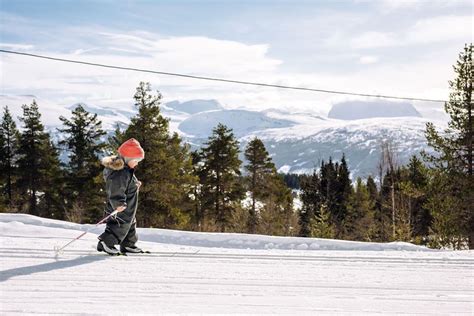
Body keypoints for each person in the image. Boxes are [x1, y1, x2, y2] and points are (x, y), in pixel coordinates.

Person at [97, 138, 145, 255]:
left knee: (130, 223)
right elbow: (116, 188)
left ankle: (128, 244)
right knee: (120, 224)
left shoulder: (127, 169)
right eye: (136, 160)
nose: (137, 162)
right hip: (121, 206)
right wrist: (118, 203)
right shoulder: (120, 172)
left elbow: (127, 183)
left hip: (129, 205)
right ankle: (106, 242)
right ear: (128, 158)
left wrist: (135, 184)